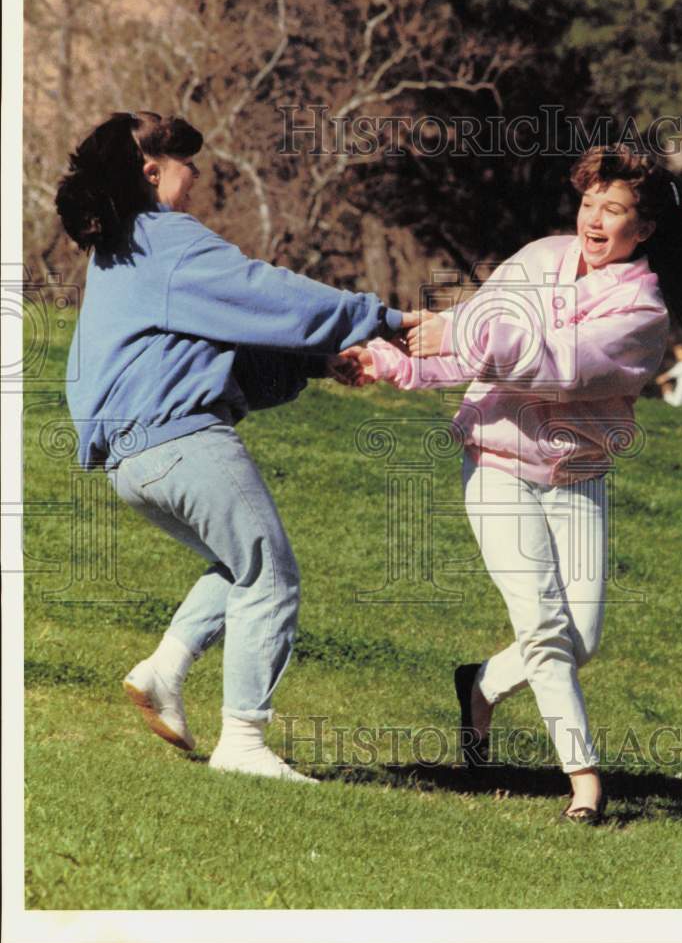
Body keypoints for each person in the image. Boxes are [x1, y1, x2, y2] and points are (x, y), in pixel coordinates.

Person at [343, 144, 682, 822]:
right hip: (496, 466)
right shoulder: (535, 259)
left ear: (642, 229)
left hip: (574, 476)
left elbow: (556, 366)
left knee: (579, 639)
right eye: (588, 202)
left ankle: (478, 686)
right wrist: (388, 361)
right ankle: (584, 785)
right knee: (543, 627)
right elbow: (469, 345)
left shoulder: (642, 316)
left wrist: (460, 333)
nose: (593, 219)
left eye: (613, 209)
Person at [55, 111, 414, 783]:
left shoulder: (119, 251)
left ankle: (162, 672)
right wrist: (379, 318)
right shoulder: (163, 237)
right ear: (151, 171)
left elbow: (213, 341)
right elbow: (262, 291)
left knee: (240, 567)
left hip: (134, 462)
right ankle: (243, 744)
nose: (197, 180)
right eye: (189, 166)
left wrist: (315, 359)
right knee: (269, 575)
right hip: (181, 440)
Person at [656, 343, 682, 408]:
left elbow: (672, 373)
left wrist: (662, 378)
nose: (677, 356)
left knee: (676, 402)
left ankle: (667, 394)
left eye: (678, 354)